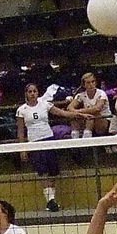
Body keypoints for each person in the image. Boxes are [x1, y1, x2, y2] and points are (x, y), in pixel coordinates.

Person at [16, 82, 79, 212]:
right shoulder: (22, 110)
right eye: (30, 92)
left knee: (52, 171)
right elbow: (21, 131)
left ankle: (51, 200)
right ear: (26, 94)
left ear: (38, 93)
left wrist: (80, 115)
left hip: (48, 139)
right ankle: (50, 200)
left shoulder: (45, 104)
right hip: (34, 142)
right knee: (42, 171)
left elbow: (62, 113)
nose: (32, 94)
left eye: (34, 91)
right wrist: (22, 149)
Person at [69, 72, 112, 140]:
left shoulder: (101, 93)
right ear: (84, 85)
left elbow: (97, 109)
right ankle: (75, 137)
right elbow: (70, 108)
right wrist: (78, 113)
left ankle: (87, 137)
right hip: (88, 119)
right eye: (88, 83)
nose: (91, 84)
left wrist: (78, 111)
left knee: (92, 115)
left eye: (93, 82)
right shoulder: (80, 95)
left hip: (103, 119)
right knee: (74, 117)